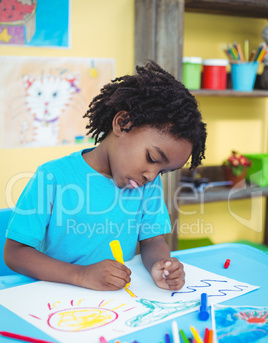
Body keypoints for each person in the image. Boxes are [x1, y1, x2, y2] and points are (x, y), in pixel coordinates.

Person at [4, 61, 207, 292]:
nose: (152, 175)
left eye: (162, 171)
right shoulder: (52, 177)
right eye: (151, 158)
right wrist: (81, 275)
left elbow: (153, 240)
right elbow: (15, 253)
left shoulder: (147, 185)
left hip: (116, 304)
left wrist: (161, 265)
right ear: (123, 123)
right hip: (58, 299)